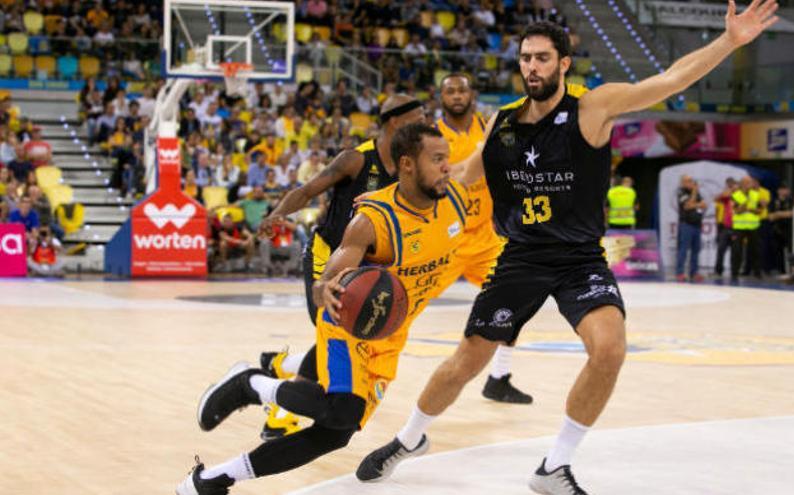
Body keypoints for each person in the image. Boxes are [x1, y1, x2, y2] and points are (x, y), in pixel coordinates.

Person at [358, 9, 779, 493]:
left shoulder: (592, 108)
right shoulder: (504, 122)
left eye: (542, 58)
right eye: (525, 59)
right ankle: (410, 439)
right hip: (520, 257)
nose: (532, 67)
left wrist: (728, 41)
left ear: (564, 64)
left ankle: (555, 465)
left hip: (579, 258)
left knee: (610, 349)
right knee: (465, 362)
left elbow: (669, 79)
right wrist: (392, 198)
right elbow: (461, 175)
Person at [176, 123, 468, 495]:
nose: (447, 166)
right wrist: (323, 288)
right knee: (341, 411)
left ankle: (214, 479)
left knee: (336, 435)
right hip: (348, 324)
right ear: (408, 165)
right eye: (438, 159)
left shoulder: (455, 199)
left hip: (389, 335)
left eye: (448, 158)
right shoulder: (373, 221)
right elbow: (328, 279)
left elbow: (479, 162)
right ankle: (252, 383)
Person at [252, 95, 426, 439]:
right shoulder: (356, 160)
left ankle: (280, 367)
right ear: (395, 122)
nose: (424, 124)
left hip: (368, 264)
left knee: (338, 333)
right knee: (331, 329)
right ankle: (279, 412)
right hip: (327, 255)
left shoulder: (412, 165)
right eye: (418, 118)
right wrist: (276, 214)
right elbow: (307, 190)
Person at [434, 72, 531, 403]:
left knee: (514, 300)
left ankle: (499, 377)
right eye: (451, 91)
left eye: (462, 89)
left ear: (472, 94)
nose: (457, 95)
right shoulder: (433, 134)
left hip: (486, 237)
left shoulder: (488, 127)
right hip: (444, 239)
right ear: (441, 97)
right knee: (400, 306)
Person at [730, 176, 762, 281]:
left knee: (755, 250)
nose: (750, 185)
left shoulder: (755, 194)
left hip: (753, 226)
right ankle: (734, 273)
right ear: (742, 184)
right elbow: (736, 211)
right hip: (739, 226)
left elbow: (759, 210)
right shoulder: (735, 195)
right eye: (747, 183)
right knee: (737, 251)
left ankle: (757, 273)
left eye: (750, 182)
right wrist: (744, 207)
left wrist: (751, 209)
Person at [675, 175, 706, 282]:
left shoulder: (697, 193)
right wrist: (694, 193)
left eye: (691, 181)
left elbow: (704, 205)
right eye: (688, 181)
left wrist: (695, 204)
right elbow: (687, 206)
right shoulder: (681, 192)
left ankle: (694, 273)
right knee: (683, 249)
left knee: (696, 250)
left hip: (697, 225)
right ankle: (680, 272)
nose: (691, 183)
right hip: (686, 225)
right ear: (683, 183)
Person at [714, 177, 737, 277]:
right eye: (728, 184)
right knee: (721, 249)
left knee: (735, 251)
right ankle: (718, 270)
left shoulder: (739, 196)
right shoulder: (725, 196)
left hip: (736, 226)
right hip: (724, 226)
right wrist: (730, 190)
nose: (730, 186)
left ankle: (734, 272)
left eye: (732, 184)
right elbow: (717, 198)